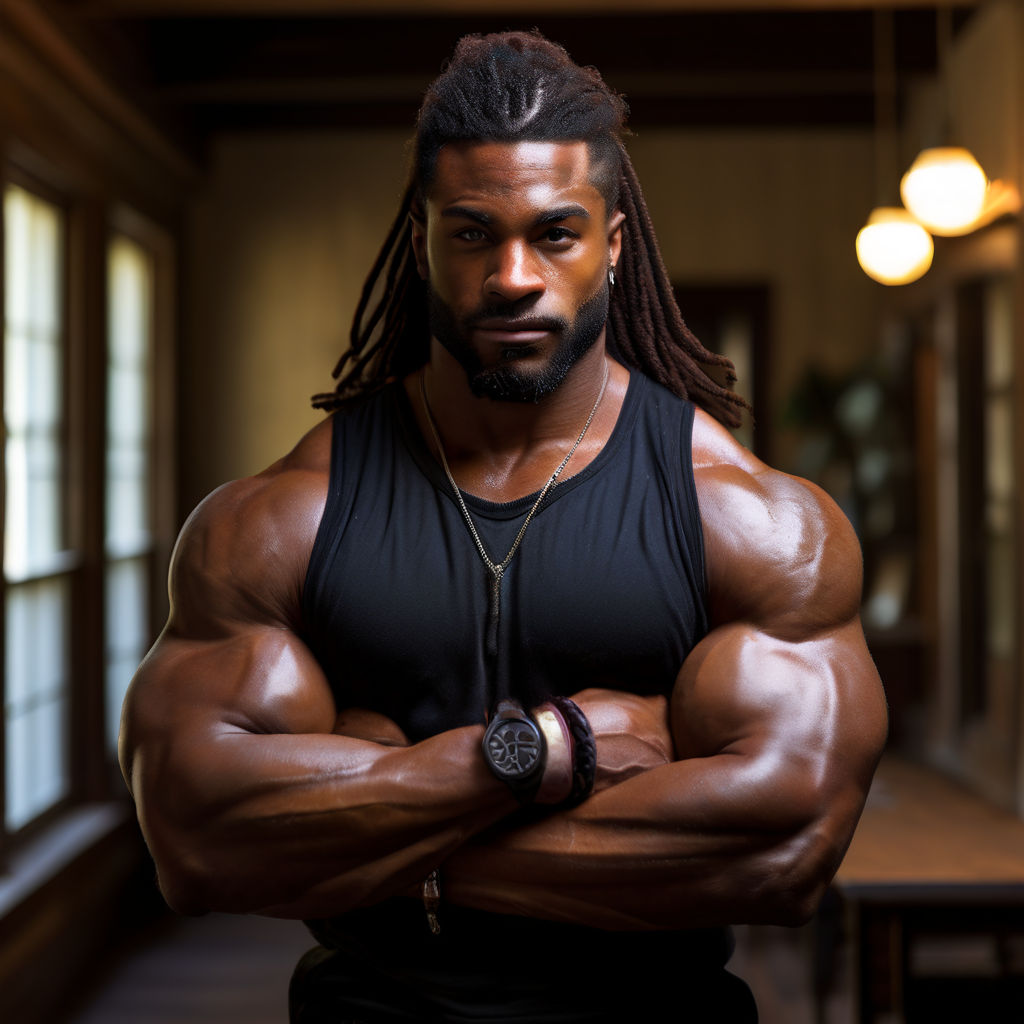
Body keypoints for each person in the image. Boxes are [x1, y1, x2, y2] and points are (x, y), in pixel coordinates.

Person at [120, 30, 888, 1023]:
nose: (513, 275)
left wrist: (388, 824)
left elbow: (778, 854)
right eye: (473, 233)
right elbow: (194, 839)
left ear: (611, 245)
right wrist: (544, 752)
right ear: (423, 242)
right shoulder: (278, 521)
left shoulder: (748, 519)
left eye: (555, 233)